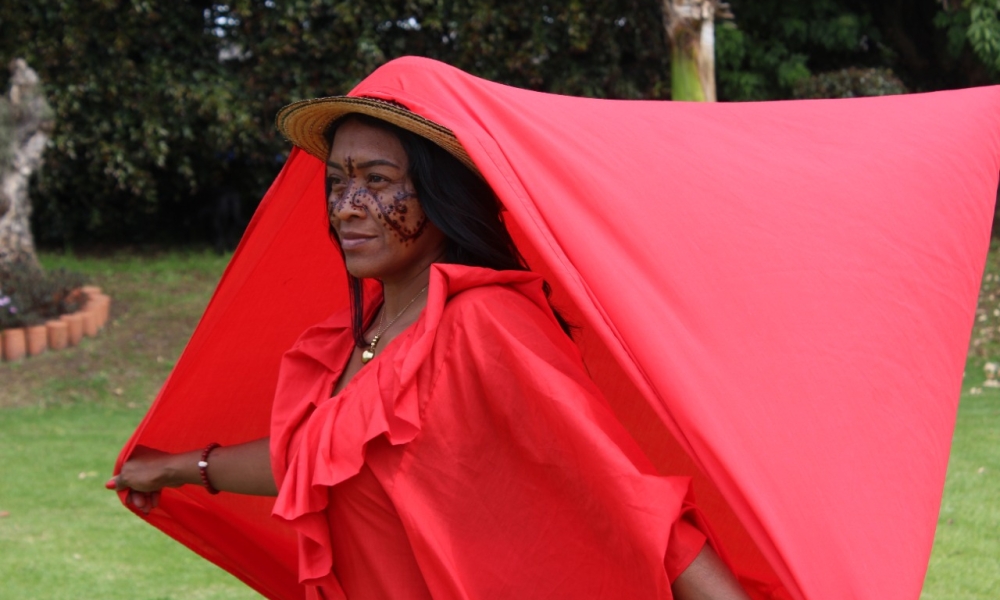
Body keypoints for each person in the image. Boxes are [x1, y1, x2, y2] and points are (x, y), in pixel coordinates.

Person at [108, 96, 750, 600]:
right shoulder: (362, 334)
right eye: (337, 182)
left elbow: (626, 499)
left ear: (443, 198)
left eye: (379, 181)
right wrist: (179, 467)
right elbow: (316, 461)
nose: (348, 207)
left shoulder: (486, 324)